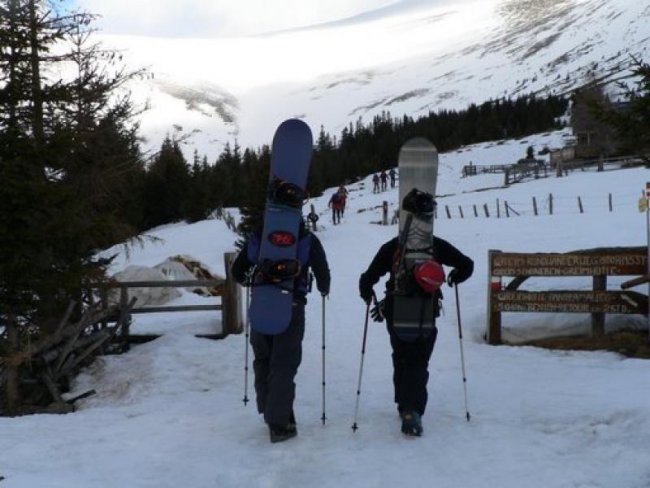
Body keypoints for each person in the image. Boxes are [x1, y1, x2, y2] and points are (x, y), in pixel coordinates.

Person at [358, 200, 473, 437]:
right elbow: (467, 265)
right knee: (418, 361)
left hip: (396, 311)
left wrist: (368, 294)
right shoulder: (436, 246)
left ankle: (404, 403)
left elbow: (367, 278)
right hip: (425, 312)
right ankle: (412, 410)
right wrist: (454, 277)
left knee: (401, 355)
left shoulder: (393, 246)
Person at [231, 220, 331, 443]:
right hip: (292, 305)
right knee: (284, 363)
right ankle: (279, 423)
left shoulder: (261, 234)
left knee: (264, 358)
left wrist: (252, 282)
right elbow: (323, 272)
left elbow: (238, 271)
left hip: (261, 303)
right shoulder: (306, 238)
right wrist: (324, 288)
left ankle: (272, 409)